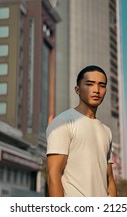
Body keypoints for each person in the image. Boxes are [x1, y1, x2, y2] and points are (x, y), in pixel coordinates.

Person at [46, 65, 117, 197]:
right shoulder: (63, 122)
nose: (96, 90)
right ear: (77, 89)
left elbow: (109, 179)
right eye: (89, 84)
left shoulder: (106, 131)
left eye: (102, 85)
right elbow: (53, 174)